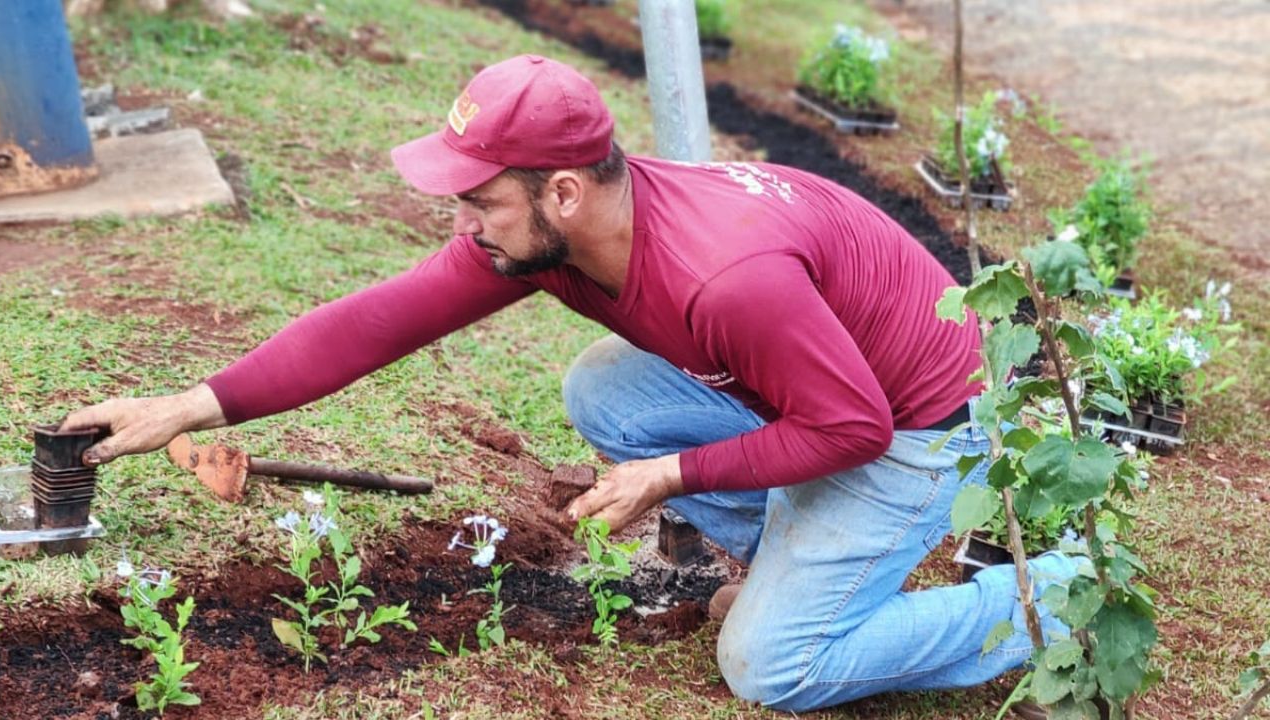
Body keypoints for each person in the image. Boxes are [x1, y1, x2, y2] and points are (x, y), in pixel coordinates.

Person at [62, 54, 1071, 711]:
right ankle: (783, 558)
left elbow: (848, 428)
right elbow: (376, 321)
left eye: (478, 200)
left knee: (772, 669)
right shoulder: (547, 238)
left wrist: (670, 475)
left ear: (561, 190)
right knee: (607, 390)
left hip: (910, 425)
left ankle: (1046, 603)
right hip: (814, 386)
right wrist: (187, 406)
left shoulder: (726, 279)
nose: (464, 224)